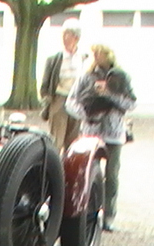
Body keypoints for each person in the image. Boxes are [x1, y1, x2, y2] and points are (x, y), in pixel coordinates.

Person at [66, 43, 137, 232]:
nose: (96, 56)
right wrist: (85, 114)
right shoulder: (86, 76)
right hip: (91, 132)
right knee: (88, 174)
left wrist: (109, 95)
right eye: (94, 53)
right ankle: (86, 213)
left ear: (109, 55)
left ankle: (108, 215)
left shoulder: (121, 77)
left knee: (112, 176)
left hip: (114, 133)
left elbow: (131, 103)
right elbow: (71, 101)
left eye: (100, 53)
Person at [40, 18, 86, 152]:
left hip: (77, 101)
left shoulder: (84, 58)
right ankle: (54, 169)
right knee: (56, 140)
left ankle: (68, 170)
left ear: (76, 38)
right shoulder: (54, 59)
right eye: (63, 35)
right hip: (59, 100)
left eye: (68, 35)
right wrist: (48, 99)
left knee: (73, 141)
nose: (64, 38)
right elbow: (45, 84)